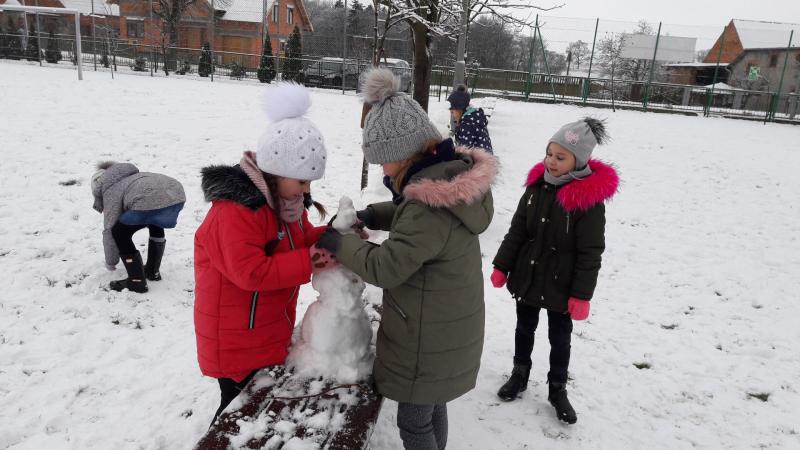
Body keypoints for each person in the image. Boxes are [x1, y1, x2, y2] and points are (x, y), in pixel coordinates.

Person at [315, 68, 498, 450]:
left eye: (384, 161)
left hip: (427, 340)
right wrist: (371, 215)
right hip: (445, 329)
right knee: (431, 405)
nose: (382, 169)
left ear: (405, 155)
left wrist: (338, 243)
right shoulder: (445, 183)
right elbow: (408, 212)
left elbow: (386, 266)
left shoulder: (427, 208)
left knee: (414, 422)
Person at [193, 82, 335, 425]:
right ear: (277, 171)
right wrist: (312, 259)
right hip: (235, 340)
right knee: (234, 414)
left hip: (263, 332)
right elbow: (250, 272)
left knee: (251, 412)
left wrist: (334, 235)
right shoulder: (236, 211)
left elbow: (299, 241)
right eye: (302, 181)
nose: (307, 190)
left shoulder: (285, 204)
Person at [490, 117, 619, 424]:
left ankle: (557, 388)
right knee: (524, 328)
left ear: (579, 161)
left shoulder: (587, 201)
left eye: (560, 157)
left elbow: (590, 252)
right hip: (530, 275)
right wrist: (502, 265)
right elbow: (518, 231)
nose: (551, 161)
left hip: (563, 285)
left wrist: (582, 295)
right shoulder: (536, 188)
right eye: (549, 153)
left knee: (560, 338)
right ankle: (520, 373)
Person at [91, 161, 185, 293]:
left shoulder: (111, 189)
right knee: (154, 219)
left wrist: (110, 262)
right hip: (176, 194)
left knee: (119, 232)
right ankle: (152, 271)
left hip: (152, 199)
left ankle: (136, 281)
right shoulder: (130, 176)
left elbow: (109, 229)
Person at [447, 84, 493, 153]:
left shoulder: (467, 124)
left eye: (452, 112)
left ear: (460, 109)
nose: (452, 115)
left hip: (478, 159)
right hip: (487, 157)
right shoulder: (474, 118)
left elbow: (464, 151)